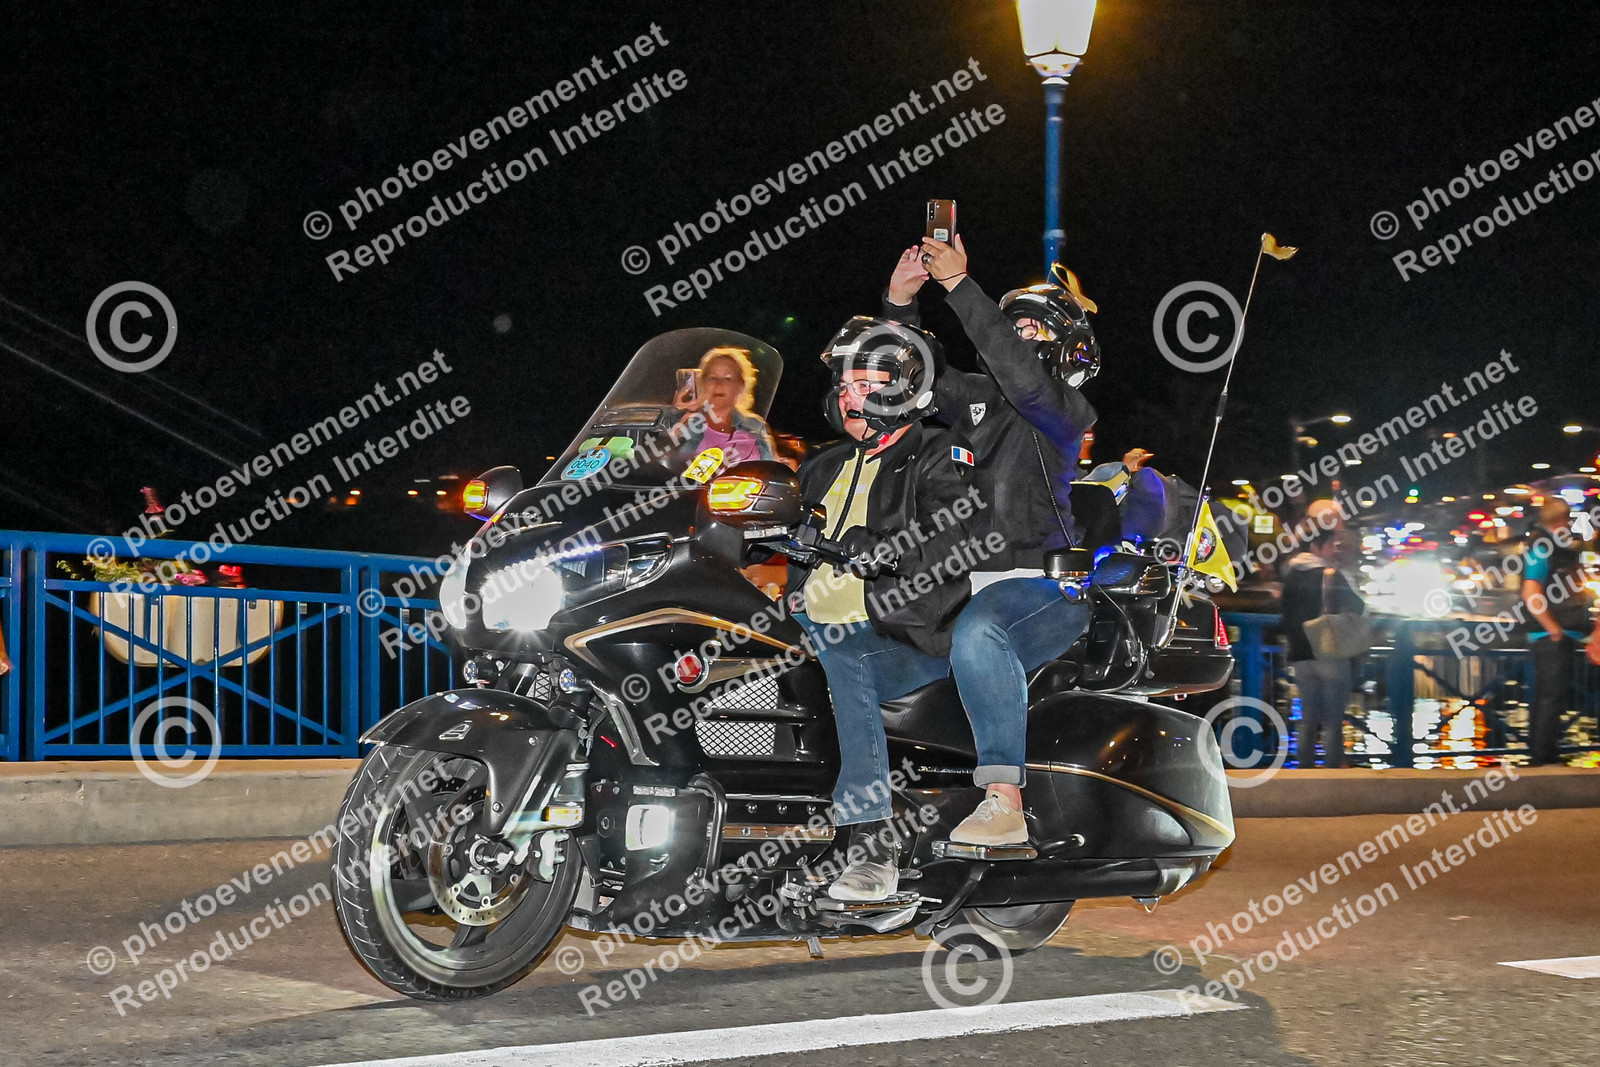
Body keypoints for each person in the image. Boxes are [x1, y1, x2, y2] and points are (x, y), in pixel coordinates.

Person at [882, 236, 1097, 845]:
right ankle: (868, 820)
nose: (1017, 336)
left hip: (1042, 586)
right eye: (1012, 327)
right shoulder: (977, 399)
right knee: (860, 647)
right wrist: (901, 302)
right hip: (960, 584)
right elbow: (913, 377)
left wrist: (959, 286)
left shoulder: (1065, 410)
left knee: (981, 631)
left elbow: (1023, 381)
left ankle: (1005, 800)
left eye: (1031, 329)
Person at [788, 316, 978, 901]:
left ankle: (873, 844)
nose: (850, 396)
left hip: (902, 634)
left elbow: (956, 534)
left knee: (842, 656)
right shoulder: (821, 465)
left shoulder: (939, 452)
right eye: (845, 385)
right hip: (806, 622)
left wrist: (888, 548)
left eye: (866, 384)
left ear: (903, 389)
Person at [1520, 498, 1600, 765]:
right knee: (1551, 696)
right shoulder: (1543, 547)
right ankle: (1542, 755)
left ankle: (1545, 752)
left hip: (1557, 634)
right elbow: (1531, 591)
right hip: (1551, 636)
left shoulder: (1549, 546)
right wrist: (1553, 629)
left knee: (1552, 696)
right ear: (1562, 520)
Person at [1281, 529, 1364, 768]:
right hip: (1329, 654)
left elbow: (1284, 614)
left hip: (1301, 656)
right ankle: (1332, 774)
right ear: (1316, 546)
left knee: (1307, 720)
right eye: (1331, 545)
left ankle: (1305, 772)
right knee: (1332, 723)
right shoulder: (1332, 575)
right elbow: (1357, 606)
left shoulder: (1291, 574)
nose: (1334, 550)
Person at [671, 346, 776, 466]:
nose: (719, 384)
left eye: (727, 379)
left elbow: (770, 469)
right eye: (712, 378)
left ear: (740, 385)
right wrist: (675, 416)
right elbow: (661, 460)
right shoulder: (687, 423)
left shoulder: (755, 425)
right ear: (702, 383)